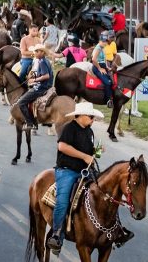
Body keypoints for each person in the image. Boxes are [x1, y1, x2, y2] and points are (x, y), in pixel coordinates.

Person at [46, 102, 104, 252]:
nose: (93, 119)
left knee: (105, 192)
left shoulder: (89, 131)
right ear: (82, 116)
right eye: (91, 117)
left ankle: (114, 229)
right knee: (63, 200)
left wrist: (96, 151)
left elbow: (89, 151)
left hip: (86, 170)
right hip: (68, 170)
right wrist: (84, 156)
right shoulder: (69, 128)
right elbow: (62, 147)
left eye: (93, 117)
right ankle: (57, 233)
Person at [17, 44, 54, 131]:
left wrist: (34, 80)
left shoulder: (42, 62)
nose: (35, 53)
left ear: (42, 52)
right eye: (35, 51)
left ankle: (30, 123)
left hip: (41, 87)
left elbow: (46, 76)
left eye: (37, 51)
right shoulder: (46, 61)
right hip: (46, 86)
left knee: (21, 103)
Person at [92, 33, 115, 108]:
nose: (106, 43)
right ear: (100, 41)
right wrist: (99, 68)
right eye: (104, 41)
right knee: (107, 83)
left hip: (103, 66)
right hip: (97, 67)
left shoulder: (102, 48)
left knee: (112, 81)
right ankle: (108, 100)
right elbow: (94, 60)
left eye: (106, 41)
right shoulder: (98, 48)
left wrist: (107, 67)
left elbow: (104, 59)